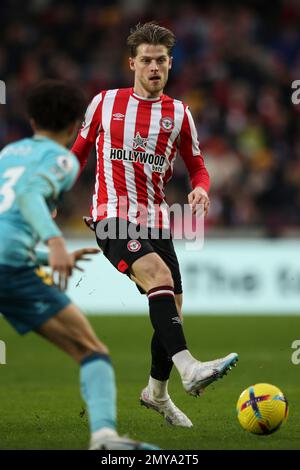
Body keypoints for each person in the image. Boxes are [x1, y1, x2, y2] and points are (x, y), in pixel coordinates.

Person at [72, 23, 238, 428]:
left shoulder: (179, 114)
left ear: (169, 64)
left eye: (160, 60)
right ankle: (190, 369)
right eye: (146, 60)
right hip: (111, 215)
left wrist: (201, 190)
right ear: (132, 63)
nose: (153, 67)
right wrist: (50, 189)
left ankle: (157, 394)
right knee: (158, 275)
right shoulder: (104, 103)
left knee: (172, 307)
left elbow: (198, 167)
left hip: (156, 220)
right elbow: (76, 154)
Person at [0, 80, 158, 450]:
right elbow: (29, 194)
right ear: (74, 125)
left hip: (11, 260)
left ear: (32, 118)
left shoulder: (8, 154)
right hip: (10, 272)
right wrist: (55, 244)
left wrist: (41, 255)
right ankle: (104, 437)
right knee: (92, 351)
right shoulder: (63, 159)